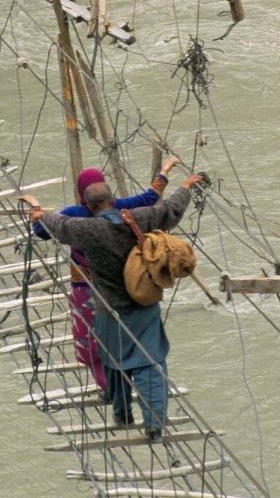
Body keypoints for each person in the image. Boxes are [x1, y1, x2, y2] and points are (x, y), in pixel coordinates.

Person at [22, 172, 203, 440]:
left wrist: (38, 212)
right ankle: (154, 422)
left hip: (108, 308)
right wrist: (186, 186)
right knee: (150, 362)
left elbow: (58, 224)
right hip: (144, 303)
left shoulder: (87, 230)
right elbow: (170, 209)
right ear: (113, 200)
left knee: (114, 360)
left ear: (89, 207)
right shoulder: (138, 218)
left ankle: (122, 412)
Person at [31, 159, 180, 394]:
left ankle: (108, 387)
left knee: (90, 340)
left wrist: (37, 211)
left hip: (85, 287)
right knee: (123, 336)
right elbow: (149, 198)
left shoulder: (74, 214)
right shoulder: (120, 207)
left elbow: (43, 230)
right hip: (119, 284)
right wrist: (164, 172)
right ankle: (135, 383)